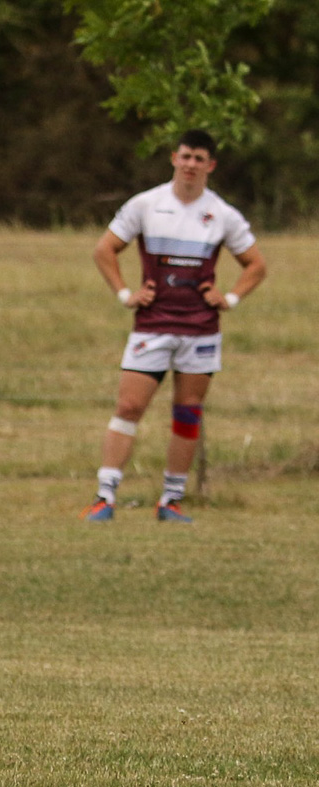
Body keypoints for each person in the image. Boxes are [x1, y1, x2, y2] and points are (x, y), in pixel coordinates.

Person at [83, 129, 267, 524]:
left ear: (210, 166)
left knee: (187, 414)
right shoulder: (147, 204)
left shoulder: (222, 213)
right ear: (173, 158)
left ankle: (171, 501)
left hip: (200, 330)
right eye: (185, 156)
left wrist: (229, 298)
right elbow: (104, 250)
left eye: (199, 159)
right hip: (152, 326)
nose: (190, 165)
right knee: (129, 406)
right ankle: (104, 497)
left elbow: (256, 265)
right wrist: (125, 293)